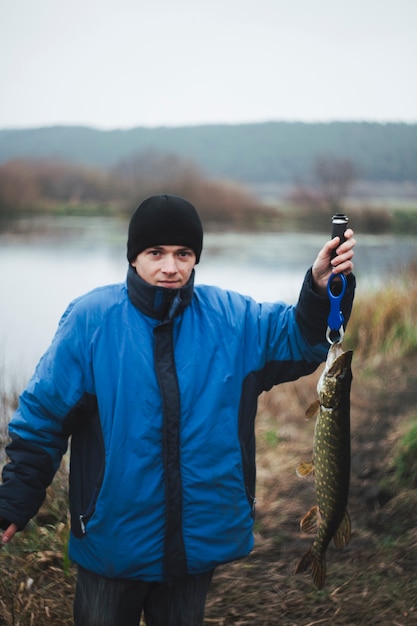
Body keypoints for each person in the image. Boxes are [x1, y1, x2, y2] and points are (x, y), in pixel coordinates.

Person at [0, 194, 356, 626]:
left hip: (197, 543)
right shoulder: (91, 322)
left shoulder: (233, 320)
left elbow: (298, 338)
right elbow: (43, 420)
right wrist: (15, 500)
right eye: (156, 253)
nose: (170, 267)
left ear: (195, 259)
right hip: (114, 542)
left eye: (183, 254)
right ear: (134, 259)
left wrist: (320, 290)